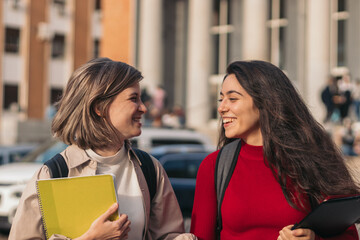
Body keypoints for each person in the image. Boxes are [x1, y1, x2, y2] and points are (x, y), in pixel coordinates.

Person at [9, 58, 196, 240]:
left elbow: (168, 234)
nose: (143, 109)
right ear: (99, 107)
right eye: (133, 99)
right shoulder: (52, 174)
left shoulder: (150, 169)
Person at [190, 60, 360, 240]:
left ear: (265, 101)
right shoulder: (213, 166)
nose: (221, 108)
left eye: (232, 99)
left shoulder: (315, 158)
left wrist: (313, 239)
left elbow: (350, 236)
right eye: (221, 98)